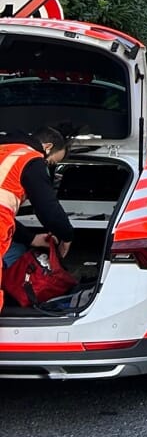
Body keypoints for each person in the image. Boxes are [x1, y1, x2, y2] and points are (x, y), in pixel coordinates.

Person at [1, 126, 73, 311]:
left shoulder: (7, 152)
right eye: (49, 163)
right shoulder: (30, 158)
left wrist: (31, 239)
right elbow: (47, 208)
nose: (46, 167)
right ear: (47, 146)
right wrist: (66, 236)